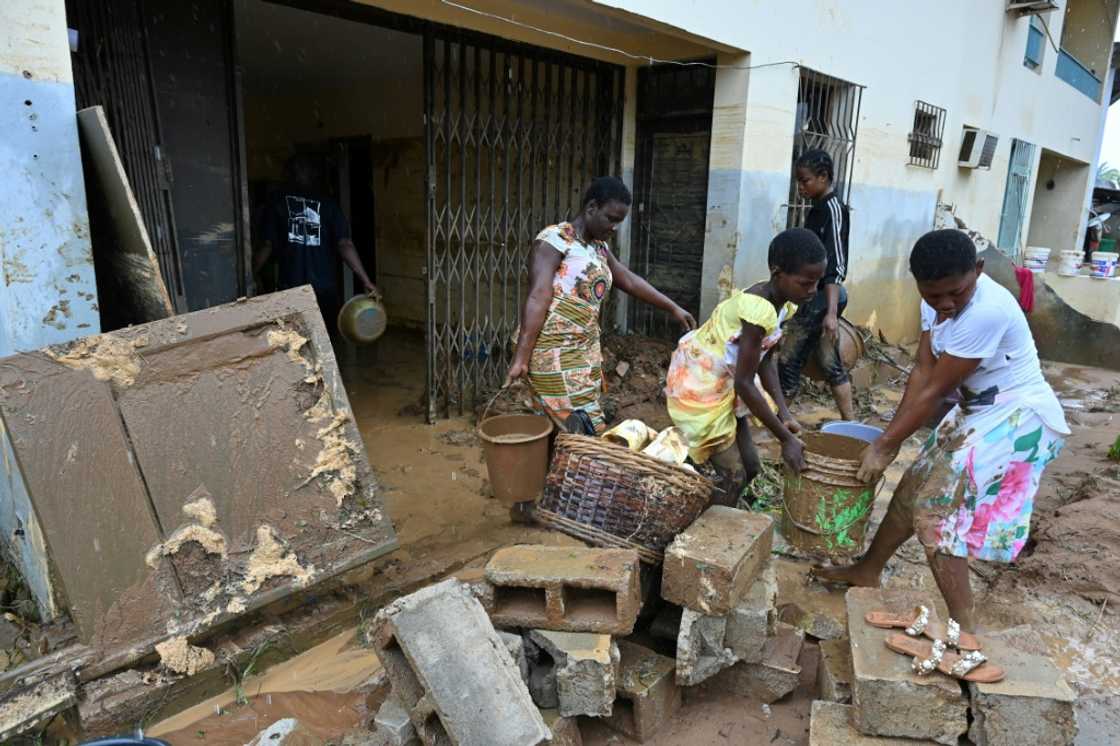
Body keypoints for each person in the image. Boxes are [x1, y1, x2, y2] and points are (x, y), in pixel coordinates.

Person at [814, 230, 1070, 635]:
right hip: (976, 409)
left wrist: (886, 444)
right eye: (934, 296)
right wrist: (888, 439)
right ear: (919, 285)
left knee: (935, 513)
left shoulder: (987, 310)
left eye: (957, 292)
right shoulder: (934, 303)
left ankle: (963, 630)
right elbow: (922, 370)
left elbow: (935, 391)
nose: (946, 303)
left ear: (978, 272)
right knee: (912, 487)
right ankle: (867, 570)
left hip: (1016, 416)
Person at [505, 176, 696, 433]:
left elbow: (627, 279)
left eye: (620, 221)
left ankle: (555, 472)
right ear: (591, 208)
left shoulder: (599, 248)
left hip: (582, 352)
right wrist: (521, 358)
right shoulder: (555, 240)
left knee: (570, 429)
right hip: (553, 353)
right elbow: (539, 296)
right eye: (612, 218)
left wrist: (672, 307)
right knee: (582, 427)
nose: (615, 227)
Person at [665, 228, 826, 505]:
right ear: (778, 274)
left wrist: (784, 413)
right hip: (702, 386)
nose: (812, 291)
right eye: (805, 283)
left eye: (817, 282)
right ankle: (705, 533)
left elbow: (766, 360)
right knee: (734, 476)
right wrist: (785, 439)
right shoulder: (757, 310)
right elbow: (745, 382)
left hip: (728, 382)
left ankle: (722, 515)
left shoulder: (783, 304)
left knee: (752, 468)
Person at [778, 149, 855, 422]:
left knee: (788, 357)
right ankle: (850, 422)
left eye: (805, 180)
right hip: (818, 296)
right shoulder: (817, 208)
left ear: (823, 177)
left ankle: (779, 421)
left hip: (824, 296)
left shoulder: (833, 209)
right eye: (798, 181)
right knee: (828, 360)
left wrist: (831, 313)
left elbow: (835, 265)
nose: (800, 187)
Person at [255, 154, 377, 325]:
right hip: (323, 289)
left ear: (288, 175)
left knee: (292, 340)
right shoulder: (329, 205)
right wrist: (366, 281)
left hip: (291, 289)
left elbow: (267, 245)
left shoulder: (277, 203)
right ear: (314, 176)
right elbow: (345, 244)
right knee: (326, 341)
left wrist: (251, 274)